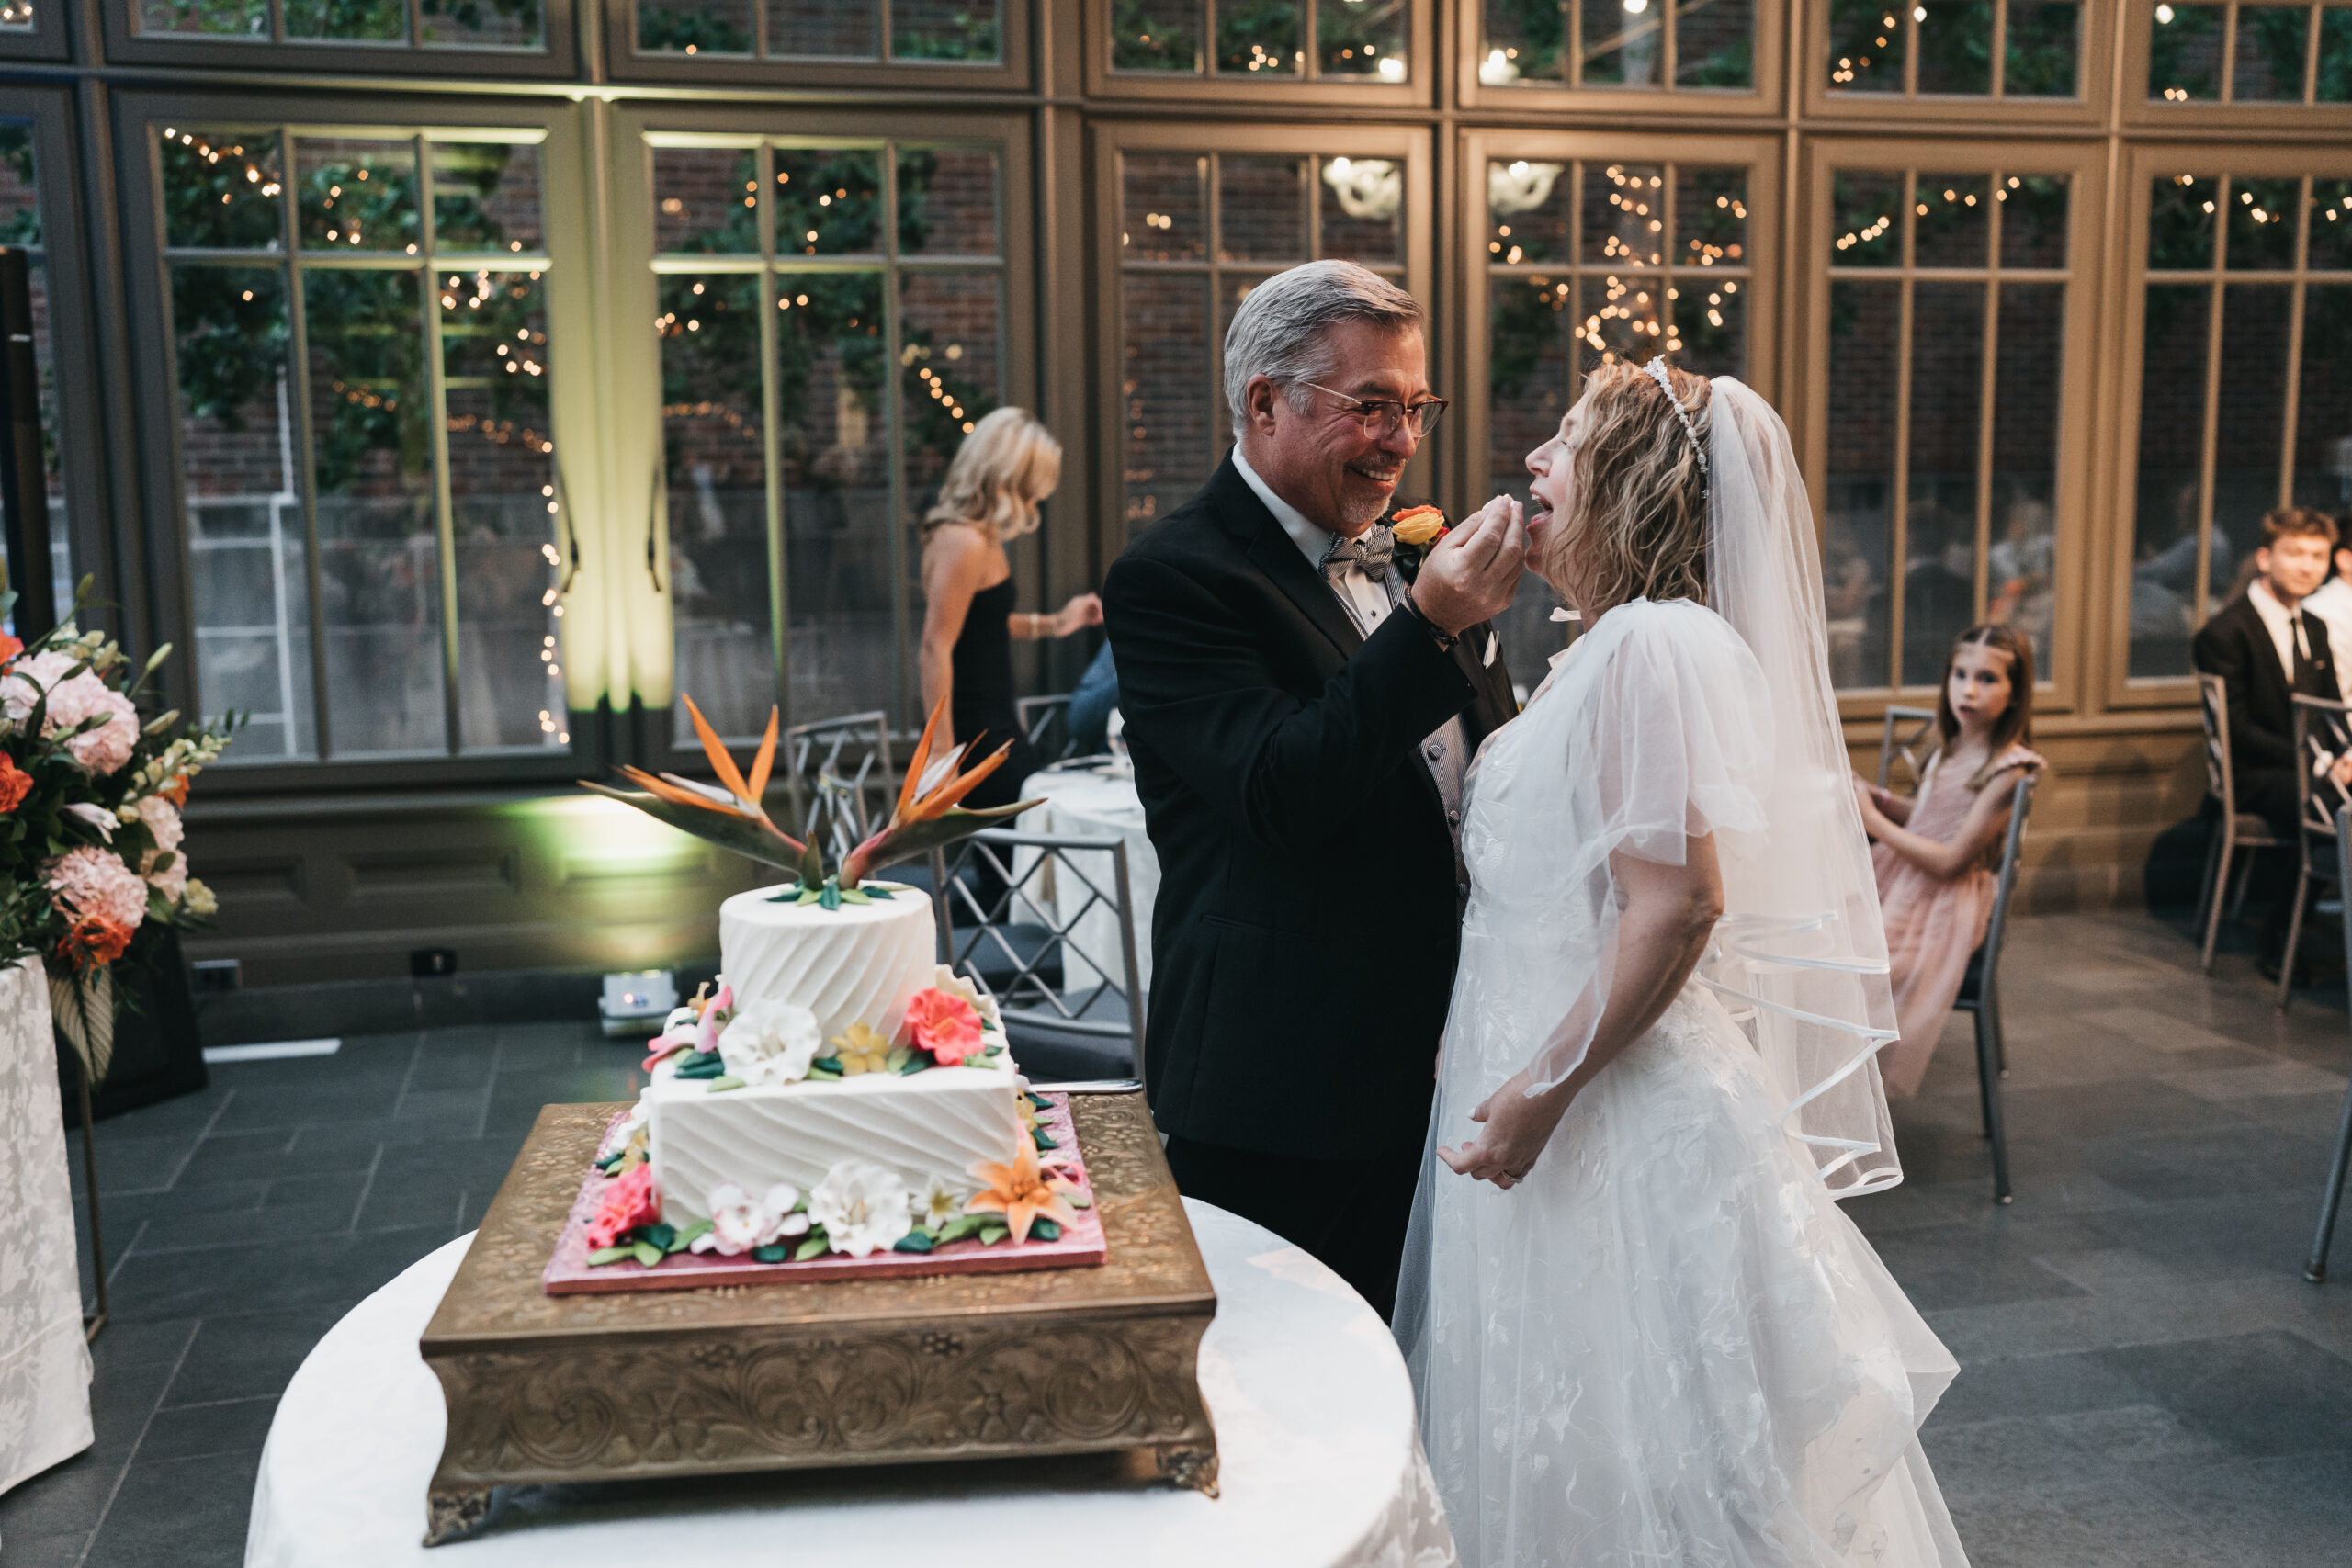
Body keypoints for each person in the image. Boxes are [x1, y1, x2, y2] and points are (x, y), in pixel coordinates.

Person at [1396, 362, 1970, 1567]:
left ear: (1633, 482)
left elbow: (1678, 904)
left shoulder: (1650, 646)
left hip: (1599, 1112)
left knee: (1650, 1460)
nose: (1533, 460)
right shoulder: (1610, 645)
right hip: (1558, 1099)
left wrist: (1535, 1093)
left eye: (1566, 440)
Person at [1102, 260, 1522, 1319]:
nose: (1401, 439)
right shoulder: (1175, 577)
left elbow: (1489, 774)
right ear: (1263, 403)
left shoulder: (1411, 554)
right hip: (1281, 1082)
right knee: (1282, 1397)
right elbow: (1278, 791)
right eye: (1370, 407)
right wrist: (1426, 626)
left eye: (1413, 407)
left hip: (1451, 1071)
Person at [1853, 625, 2046, 1099]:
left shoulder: (2010, 769)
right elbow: (1928, 820)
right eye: (1960, 675)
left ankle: (1844, 1094)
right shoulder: (1954, 744)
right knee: (1816, 934)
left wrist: (1872, 823)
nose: (1968, 689)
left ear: (2015, 693)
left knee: (1851, 968)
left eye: (1987, 679)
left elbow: (1949, 860)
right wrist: (1879, 800)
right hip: (1903, 880)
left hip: (1943, 903)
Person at [917, 407, 1102, 817]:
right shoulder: (964, 541)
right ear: (1011, 479)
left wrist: (1056, 623)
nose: (1039, 497)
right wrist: (943, 756)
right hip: (976, 731)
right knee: (1026, 845)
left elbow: (980, 627)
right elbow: (935, 646)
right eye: (1035, 485)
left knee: (1021, 848)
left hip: (994, 721)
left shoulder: (978, 536)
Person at [2191, 507, 2352, 975]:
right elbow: (2237, 729)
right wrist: (2321, 766)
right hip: (2254, 771)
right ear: (2265, 558)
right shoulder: (2225, 632)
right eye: (2295, 553)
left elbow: (2331, 710)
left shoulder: (2316, 626)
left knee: (2336, 793)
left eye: (2318, 556)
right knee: (2327, 805)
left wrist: (2342, 755)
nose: (2308, 566)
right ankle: (2279, 938)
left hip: (2305, 766)